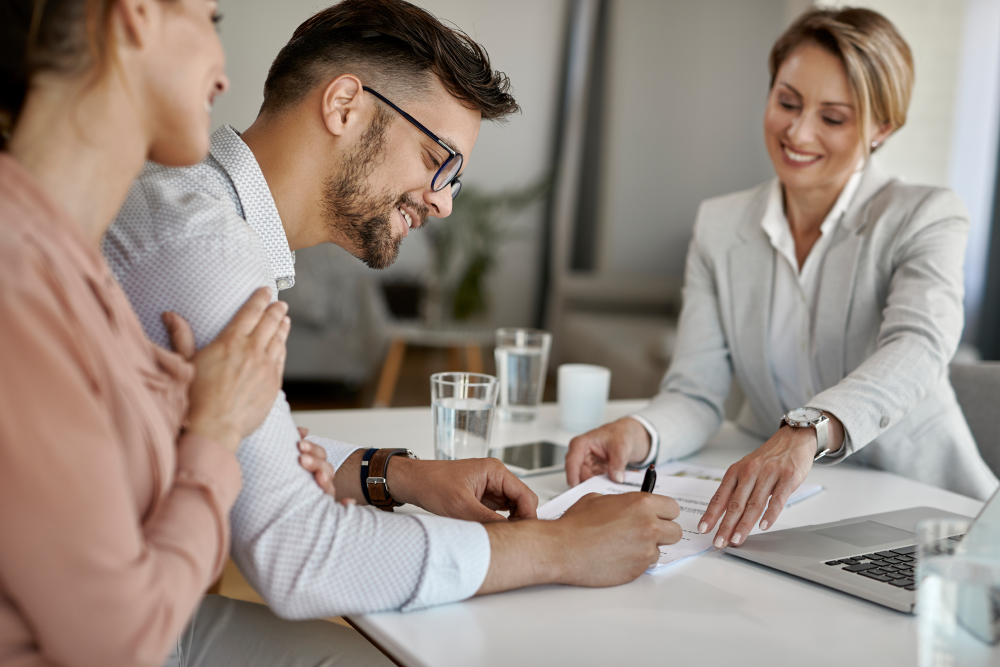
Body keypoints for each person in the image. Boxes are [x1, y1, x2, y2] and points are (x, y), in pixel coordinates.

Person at [103, 0, 683, 635]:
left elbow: (245, 447)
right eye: (440, 160)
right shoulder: (210, 251)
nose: (442, 203)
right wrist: (562, 547)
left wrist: (397, 474)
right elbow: (297, 553)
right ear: (344, 106)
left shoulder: (200, 211)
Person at [565, 7, 999, 552]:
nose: (798, 132)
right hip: (789, 515)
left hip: (928, 515)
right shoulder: (720, 226)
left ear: (882, 127)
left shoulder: (925, 215)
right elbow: (697, 393)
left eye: (833, 118)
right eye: (787, 102)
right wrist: (638, 432)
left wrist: (807, 428)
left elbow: (918, 345)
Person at [0, 0, 342, 664]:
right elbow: (118, 642)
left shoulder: (67, 253)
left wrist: (200, 417)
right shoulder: (21, 278)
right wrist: (214, 434)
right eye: (210, 21)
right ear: (137, 14)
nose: (224, 76)